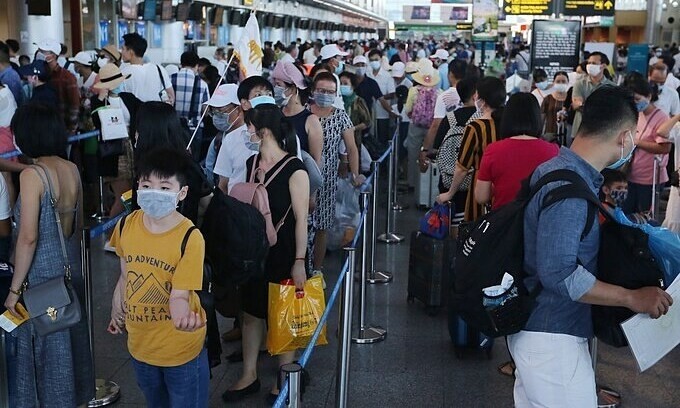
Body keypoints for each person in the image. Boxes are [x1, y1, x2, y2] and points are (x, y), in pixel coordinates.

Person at [509, 85, 672, 408]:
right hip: (553, 338)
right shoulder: (569, 190)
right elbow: (560, 273)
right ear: (624, 137)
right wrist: (630, 297)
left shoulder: (556, 170)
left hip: (540, 334)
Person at [4, 102, 94, 407]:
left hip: (41, 279)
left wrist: (14, 291)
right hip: (69, 272)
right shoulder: (71, 168)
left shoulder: (33, 175)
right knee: (69, 345)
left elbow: (28, 238)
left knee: (44, 352)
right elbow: (77, 227)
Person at [222, 104, 310, 404]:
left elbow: (302, 220)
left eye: (249, 128)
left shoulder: (295, 169)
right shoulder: (249, 163)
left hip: (284, 251)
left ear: (265, 131)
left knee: (283, 314)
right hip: (253, 251)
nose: (246, 133)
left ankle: (285, 375)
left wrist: (300, 261)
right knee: (251, 313)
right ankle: (249, 374)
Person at [108, 148, 208, 407]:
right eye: (146, 185)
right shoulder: (126, 225)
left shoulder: (190, 237)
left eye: (165, 187)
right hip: (140, 345)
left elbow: (179, 294)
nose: (154, 192)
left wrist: (182, 317)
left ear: (181, 193)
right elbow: (125, 273)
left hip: (179, 349)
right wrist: (116, 307)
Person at [309, 72, 360, 279]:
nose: (324, 95)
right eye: (321, 91)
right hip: (304, 177)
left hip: (328, 179)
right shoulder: (305, 113)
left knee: (322, 225)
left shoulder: (340, 116)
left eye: (330, 92)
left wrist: (355, 174)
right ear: (313, 91)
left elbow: (352, 148)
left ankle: (316, 270)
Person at [436, 76, 505, 222]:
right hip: (505, 188)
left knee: (478, 232)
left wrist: (449, 193)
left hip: (481, 188)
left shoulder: (476, 127)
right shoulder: (508, 125)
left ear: (482, 99)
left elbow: (462, 167)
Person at [475, 93, 559, 210]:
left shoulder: (493, 150)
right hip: (540, 222)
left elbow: (481, 197)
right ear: (536, 118)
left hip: (505, 222)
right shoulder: (553, 151)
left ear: (507, 118)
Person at [91, 63, 138, 219]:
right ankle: (111, 234)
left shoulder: (128, 98)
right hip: (113, 152)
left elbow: (143, 111)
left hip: (131, 149)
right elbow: (97, 121)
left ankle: (121, 231)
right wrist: (100, 98)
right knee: (124, 196)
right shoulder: (98, 102)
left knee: (132, 193)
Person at [623, 73, 671, 215]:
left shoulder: (661, 117)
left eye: (638, 99)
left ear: (649, 96)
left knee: (645, 217)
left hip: (650, 178)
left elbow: (665, 147)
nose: (635, 103)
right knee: (628, 214)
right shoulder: (636, 114)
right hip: (631, 174)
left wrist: (637, 142)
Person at [272, 61, 323, 165]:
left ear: (292, 89)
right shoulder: (275, 114)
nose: (275, 89)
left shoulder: (311, 121)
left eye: (278, 85)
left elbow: (315, 161)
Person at [420, 59, 467, 172]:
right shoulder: (473, 96)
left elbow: (436, 125)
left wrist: (425, 149)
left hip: (448, 146)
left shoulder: (444, 96)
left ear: (450, 74)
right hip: (469, 144)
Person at [404, 59, 441, 190]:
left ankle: (412, 183)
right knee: (429, 155)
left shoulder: (413, 90)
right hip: (432, 129)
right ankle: (428, 185)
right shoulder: (439, 92)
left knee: (413, 155)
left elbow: (407, 109)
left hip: (415, 127)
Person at [211, 84, 254, 193]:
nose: (217, 115)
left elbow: (223, 185)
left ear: (239, 109)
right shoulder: (218, 138)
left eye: (221, 111)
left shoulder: (250, 139)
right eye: (214, 111)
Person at [35, 39, 80, 133]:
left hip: (61, 129)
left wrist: (71, 130)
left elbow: (74, 105)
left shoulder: (67, 77)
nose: (39, 54)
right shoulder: (38, 75)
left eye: (43, 52)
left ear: (54, 55)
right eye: (39, 51)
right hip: (42, 129)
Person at [120, 33, 175, 104]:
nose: (121, 52)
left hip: (136, 114)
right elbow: (171, 96)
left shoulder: (123, 73)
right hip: (157, 113)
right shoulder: (159, 69)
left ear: (131, 51)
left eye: (123, 49)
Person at [571, 52, 615, 139]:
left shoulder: (612, 87)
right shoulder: (580, 84)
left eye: (594, 63)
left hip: (602, 133)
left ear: (603, 66)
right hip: (580, 132)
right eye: (589, 63)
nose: (590, 65)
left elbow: (612, 109)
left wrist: (585, 104)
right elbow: (576, 105)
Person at [339, 71, 372, 164]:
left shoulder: (358, 101)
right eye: (340, 83)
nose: (342, 86)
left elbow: (367, 122)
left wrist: (353, 128)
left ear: (352, 86)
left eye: (345, 84)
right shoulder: (337, 101)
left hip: (354, 140)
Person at [366, 49, 397, 144]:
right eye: (371, 60)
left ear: (381, 60)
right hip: (368, 113)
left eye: (376, 59)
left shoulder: (387, 76)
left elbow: (392, 94)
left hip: (382, 113)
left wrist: (379, 97)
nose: (374, 62)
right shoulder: (367, 74)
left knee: (382, 138)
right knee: (370, 139)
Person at [171, 51, 210, 127]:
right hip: (194, 128)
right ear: (196, 65)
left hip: (173, 127)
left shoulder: (170, 79)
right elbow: (205, 111)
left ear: (181, 64)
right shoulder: (203, 84)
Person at [658, 113, 680, 232]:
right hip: (678, 186)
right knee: (674, 223)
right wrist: (677, 117)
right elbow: (661, 132)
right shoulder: (678, 128)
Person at [541, 71, 569, 141]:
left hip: (567, 135)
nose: (561, 83)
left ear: (568, 82)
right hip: (549, 135)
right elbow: (541, 119)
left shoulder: (571, 99)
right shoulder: (548, 99)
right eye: (558, 81)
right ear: (553, 82)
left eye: (563, 81)